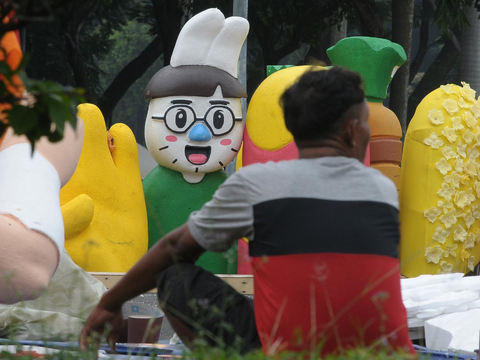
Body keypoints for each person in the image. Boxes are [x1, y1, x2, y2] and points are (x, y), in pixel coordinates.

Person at [80, 67, 414, 356]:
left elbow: (175, 248)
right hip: (389, 356)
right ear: (352, 130)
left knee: (174, 278)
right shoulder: (381, 190)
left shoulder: (257, 185)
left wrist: (108, 304)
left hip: (284, 353)